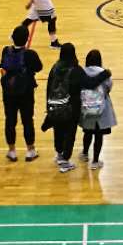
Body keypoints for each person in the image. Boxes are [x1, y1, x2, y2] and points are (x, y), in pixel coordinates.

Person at [0, 25, 42, 162]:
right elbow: (39, 67)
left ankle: (12, 150)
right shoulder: (30, 54)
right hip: (26, 92)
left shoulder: (6, 50)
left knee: (10, 120)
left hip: (8, 92)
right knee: (27, 120)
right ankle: (30, 150)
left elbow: (3, 67)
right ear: (27, 39)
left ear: (12, 38)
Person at [42, 43, 83, 172]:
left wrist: (48, 106)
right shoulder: (76, 69)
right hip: (71, 108)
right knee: (70, 133)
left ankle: (59, 154)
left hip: (55, 105)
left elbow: (49, 88)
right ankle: (65, 160)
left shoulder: (55, 68)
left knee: (58, 130)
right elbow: (82, 87)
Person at [78, 49, 116, 169]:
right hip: (101, 109)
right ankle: (95, 161)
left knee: (87, 132)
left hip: (86, 107)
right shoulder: (104, 73)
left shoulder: (82, 72)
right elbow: (109, 87)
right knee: (99, 136)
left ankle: (84, 154)